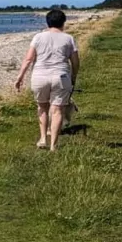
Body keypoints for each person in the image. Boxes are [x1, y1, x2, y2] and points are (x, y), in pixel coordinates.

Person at [14, 9, 79, 151]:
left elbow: (28, 59)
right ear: (63, 22)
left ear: (47, 22)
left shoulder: (38, 37)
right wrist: (73, 76)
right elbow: (75, 61)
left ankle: (43, 138)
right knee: (57, 111)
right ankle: (53, 146)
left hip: (40, 76)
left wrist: (20, 77)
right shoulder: (69, 38)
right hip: (61, 77)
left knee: (42, 107)